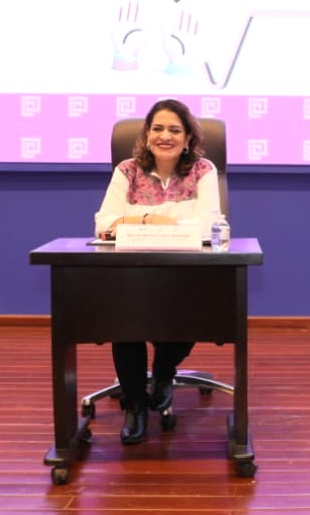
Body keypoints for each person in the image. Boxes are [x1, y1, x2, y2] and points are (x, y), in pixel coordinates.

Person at [93, 98, 221, 444]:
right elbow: (104, 224)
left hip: (185, 271)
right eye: (158, 128)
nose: (165, 136)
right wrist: (155, 219)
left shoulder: (203, 170)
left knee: (189, 308)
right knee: (125, 320)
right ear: (147, 135)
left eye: (175, 130)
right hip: (132, 271)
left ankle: (164, 372)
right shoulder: (127, 171)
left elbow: (209, 224)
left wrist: (134, 220)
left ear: (188, 137)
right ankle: (135, 405)